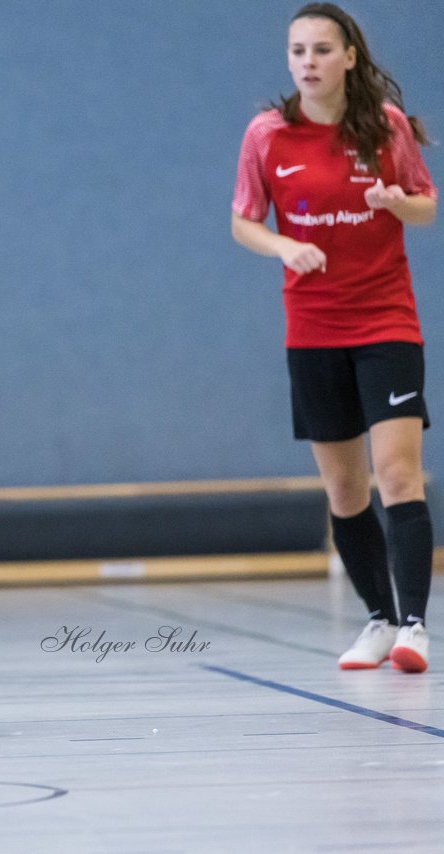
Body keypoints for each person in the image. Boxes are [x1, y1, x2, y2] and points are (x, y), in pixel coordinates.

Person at [231, 2, 436, 672]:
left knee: (398, 474)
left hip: (385, 320)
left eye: (322, 49)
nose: (309, 62)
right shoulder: (268, 134)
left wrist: (394, 202)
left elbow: (425, 204)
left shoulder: (386, 125)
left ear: (350, 56)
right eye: (298, 52)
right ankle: (378, 618)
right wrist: (283, 247)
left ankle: (414, 626)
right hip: (313, 328)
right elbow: (243, 221)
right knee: (345, 492)